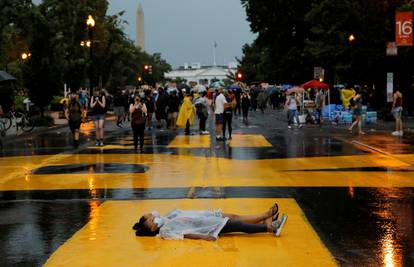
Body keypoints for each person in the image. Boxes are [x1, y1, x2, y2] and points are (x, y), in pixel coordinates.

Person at [132, 204, 287, 241]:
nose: (154, 217)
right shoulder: (164, 232)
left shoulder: (165, 219)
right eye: (152, 220)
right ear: (152, 228)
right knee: (237, 226)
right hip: (206, 227)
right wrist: (205, 237)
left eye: (152, 217)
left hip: (205, 218)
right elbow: (185, 234)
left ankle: (265, 217)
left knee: (234, 218)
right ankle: (270, 227)